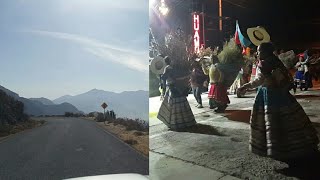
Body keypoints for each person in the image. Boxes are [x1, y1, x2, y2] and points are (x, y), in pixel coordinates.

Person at [238, 42, 319, 162]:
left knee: (272, 123)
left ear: (265, 52)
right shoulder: (277, 62)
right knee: (289, 121)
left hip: (268, 97)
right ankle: (297, 146)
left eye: (259, 51)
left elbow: (258, 81)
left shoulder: (263, 65)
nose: (257, 53)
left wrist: (244, 86)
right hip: (283, 96)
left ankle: (278, 149)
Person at [157, 56, 196, 130]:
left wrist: (161, 77)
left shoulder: (167, 68)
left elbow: (165, 78)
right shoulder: (172, 68)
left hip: (172, 88)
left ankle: (175, 123)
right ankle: (186, 121)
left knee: (171, 105)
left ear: (165, 62)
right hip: (176, 88)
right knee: (181, 104)